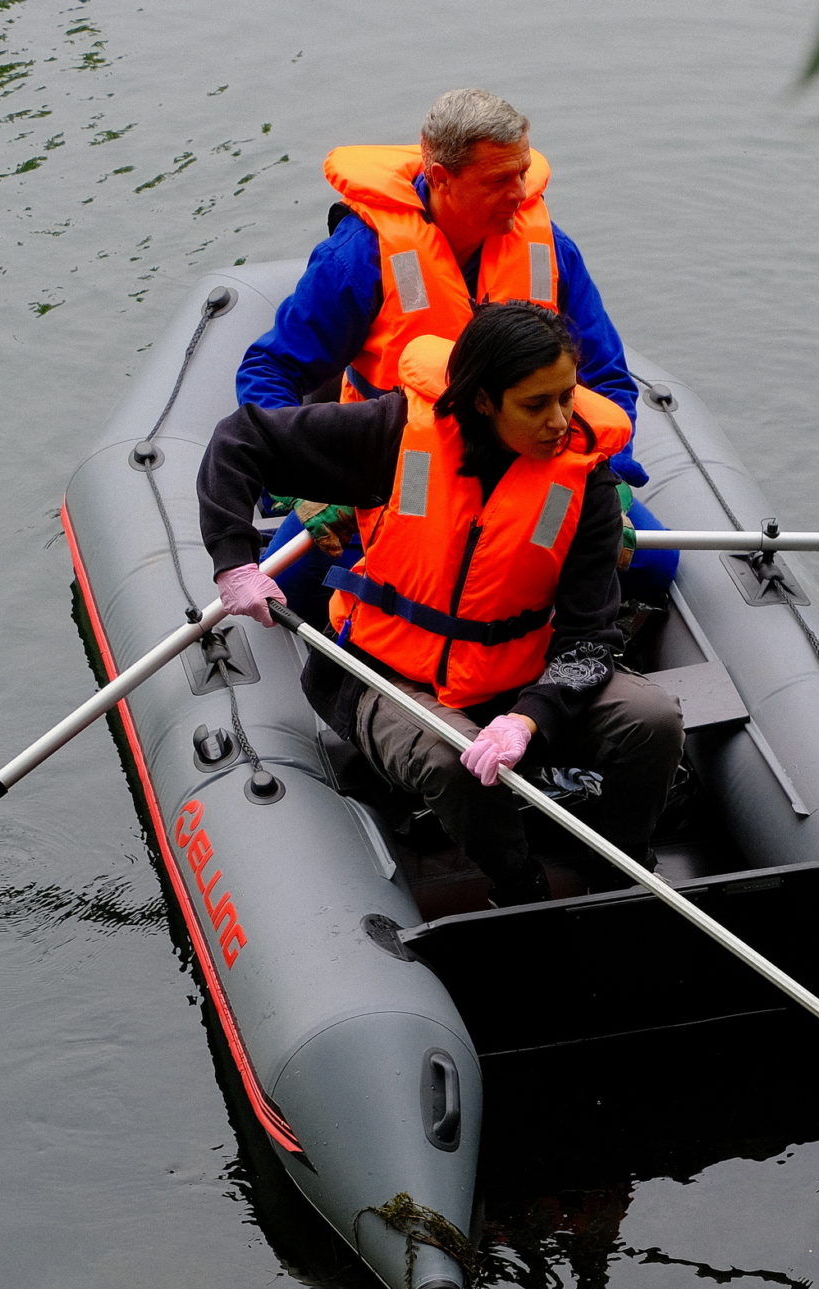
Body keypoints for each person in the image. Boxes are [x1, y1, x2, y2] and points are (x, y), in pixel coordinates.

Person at [199, 302, 685, 908]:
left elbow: (590, 638)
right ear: (482, 400)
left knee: (653, 719)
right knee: (454, 761)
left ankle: (621, 867)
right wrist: (234, 559)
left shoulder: (585, 479)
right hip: (382, 671)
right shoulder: (391, 435)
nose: (560, 421)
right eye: (536, 405)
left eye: (566, 397)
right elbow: (239, 440)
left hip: (517, 675)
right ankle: (518, 887)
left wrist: (530, 716)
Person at [238, 88, 671, 617]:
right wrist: (308, 481)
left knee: (655, 563)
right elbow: (271, 368)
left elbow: (606, 375)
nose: (521, 193)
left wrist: (611, 475)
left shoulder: (548, 247)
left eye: (523, 172)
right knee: (298, 589)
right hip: (397, 472)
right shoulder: (359, 256)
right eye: (499, 181)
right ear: (441, 177)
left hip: (530, 457)